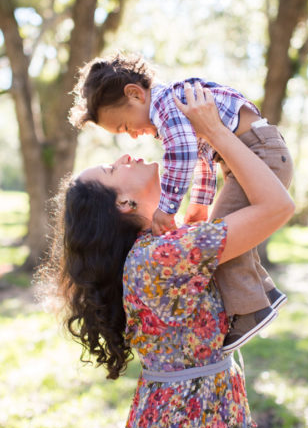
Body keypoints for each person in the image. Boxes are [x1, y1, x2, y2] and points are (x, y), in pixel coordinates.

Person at [40, 84, 294, 428]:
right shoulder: (163, 256)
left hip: (196, 420)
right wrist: (217, 131)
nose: (125, 155)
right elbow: (277, 206)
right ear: (124, 203)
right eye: (113, 169)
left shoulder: (160, 247)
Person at [69, 52, 294, 352]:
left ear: (135, 94)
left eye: (125, 127)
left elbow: (185, 155)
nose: (133, 138)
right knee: (223, 230)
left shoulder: (166, 108)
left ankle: (251, 312)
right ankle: (264, 294)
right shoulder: (174, 106)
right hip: (259, 150)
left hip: (259, 153)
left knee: (222, 232)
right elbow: (203, 157)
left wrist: (168, 207)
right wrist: (200, 202)